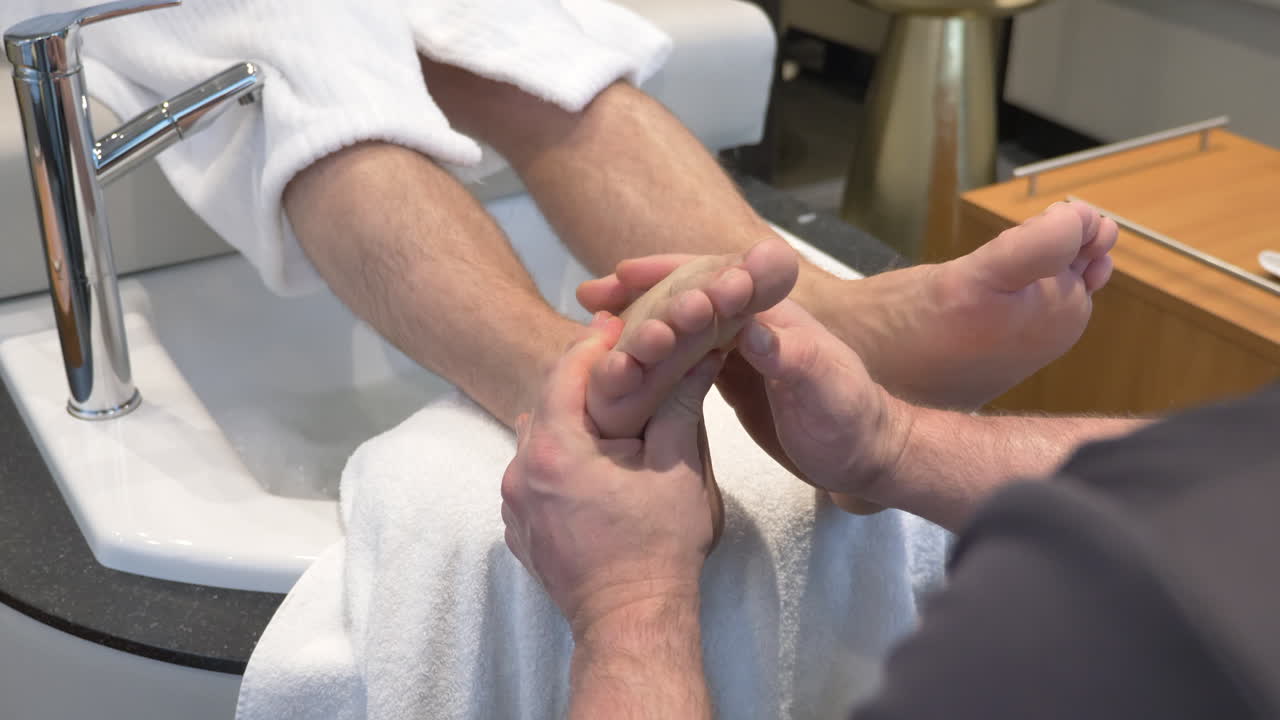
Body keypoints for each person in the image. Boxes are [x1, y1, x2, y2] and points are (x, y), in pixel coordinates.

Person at [502, 283, 1280, 718]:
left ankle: (535, 347)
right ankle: (852, 312)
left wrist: (629, 608)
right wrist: (892, 445)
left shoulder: (1084, 639)